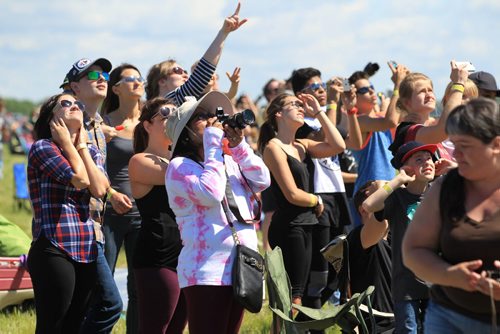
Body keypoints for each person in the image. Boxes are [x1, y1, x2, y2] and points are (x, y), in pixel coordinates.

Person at [165, 91, 270, 334]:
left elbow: (262, 180)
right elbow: (211, 193)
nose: (214, 121)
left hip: (240, 267)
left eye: (214, 116)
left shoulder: (225, 161)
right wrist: (214, 143)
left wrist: (239, 146)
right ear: (186, 133)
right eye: (202, 118)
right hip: (206, 271)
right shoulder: (179, 167)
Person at [402, 98, 500, 333]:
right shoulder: (445, 188)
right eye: (454, 144)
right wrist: (450, 276)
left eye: (465, 146)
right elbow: (413, 251)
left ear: (496, 144)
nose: (455, 154)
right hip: (448, 317)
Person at [27, 93, 109, 333]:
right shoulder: (43, 147)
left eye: (78, 104)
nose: (75, 105)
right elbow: (81, 180)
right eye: (66, 103)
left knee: (74, 324)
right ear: (51, 117)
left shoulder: (91, 153)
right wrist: (66, 144)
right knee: (52, 324)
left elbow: (101, 188)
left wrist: (81, 146)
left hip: (85, 247)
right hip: (53, 246)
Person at [258, 92, 346, 311]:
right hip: (289, 227)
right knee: (293, 298)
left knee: (304, 294)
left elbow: (338, 146)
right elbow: (292, 194)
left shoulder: (302, 145)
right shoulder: (273, 148)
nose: (300, 108)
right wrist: (316, 200)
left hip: (308, 224)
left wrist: (318, 112)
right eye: (294, 105)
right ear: (278, 114)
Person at [362, 141, 457, 333]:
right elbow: (369, 205)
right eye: (419, 159)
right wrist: (397, 181)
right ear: (406, 168)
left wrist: (454, 168)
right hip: (406, 285)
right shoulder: (398, 199)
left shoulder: (440, 193)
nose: (428, 162)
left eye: (430, 158)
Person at [289, 67, 361, 319]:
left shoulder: (323, 117)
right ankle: (308, 321)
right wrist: (329, 103)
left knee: (339, 270)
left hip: (337, 196)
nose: (320, 90)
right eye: (314, 88)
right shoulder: (300, 125)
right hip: (319, 197)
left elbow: (349, 142)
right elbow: (326, 140)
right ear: (300, 95)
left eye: (322, 86)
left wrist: (344, 107)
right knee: (319, 272)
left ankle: (314, 318)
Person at [65, 57, 124, 334]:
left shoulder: (98, 126)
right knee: (110, 304)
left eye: (105, 74)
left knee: (84, 306)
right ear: (74, 87)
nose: (102, 78)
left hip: (95, 226)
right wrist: (105, 190)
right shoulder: (67, 122)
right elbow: (81, 179)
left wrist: (111, 193)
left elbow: (97, 176)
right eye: (93, 75)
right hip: (72, 228)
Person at [129, 97, 186, 333]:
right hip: (158, 255)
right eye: (166, 116)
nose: (172, 121)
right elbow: (180, 177)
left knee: (176, 329)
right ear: (147, 125)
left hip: (186, 255)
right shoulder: (139, 161)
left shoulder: (183, 162)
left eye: (178, 117)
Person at [99, 63, 147, 333]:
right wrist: (111, 193)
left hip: (143, 215)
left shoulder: (150, 122)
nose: (138, 82)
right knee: (103, 289)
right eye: (131, 78)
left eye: (140, 78)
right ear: (116, 88)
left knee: (139, 288)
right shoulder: (102, 123)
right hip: (109, 214)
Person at [145, 2, 247, 105]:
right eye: (178, 70)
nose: (185, 74)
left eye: (185, 71)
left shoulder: (182, 103)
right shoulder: (169, 102)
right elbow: (202, 73)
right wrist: (223, 33)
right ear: (162, 81)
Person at [388, 61, 469, 159]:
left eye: (430, 90)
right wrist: (458, 83)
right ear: (407, 102)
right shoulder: (409, 131)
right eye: (422, 91)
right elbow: (444, 129)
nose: (429, 95)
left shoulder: (428, 128)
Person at [347, 181, 393, 333]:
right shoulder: (359, 238)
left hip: (407, 320)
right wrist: (382, 187)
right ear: (363, 210)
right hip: (379, 326)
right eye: (377, 196)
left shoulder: (398, 236)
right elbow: (382, 221)